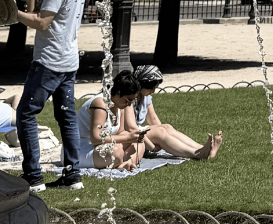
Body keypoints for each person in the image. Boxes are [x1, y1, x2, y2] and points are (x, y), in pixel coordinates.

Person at [13, 0, 87, 193]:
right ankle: (73, 174)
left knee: (26, 113)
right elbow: (56, 18)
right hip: (69, 61)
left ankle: (33, 176)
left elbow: (42, 23)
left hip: (49, 62)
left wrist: (12, 13)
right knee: (67, 117)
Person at [78, 70, 221, 167]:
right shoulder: (100, 103)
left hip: (102, 147)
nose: (129, 105)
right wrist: (130, 138)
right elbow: (96, 138)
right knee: (116, 151)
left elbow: (120, 132)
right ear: (118, 92)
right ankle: (122, 162)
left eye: (131, 102)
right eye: (128, 100)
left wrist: (134, 138)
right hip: (83, 149)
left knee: (138, 144)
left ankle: (126, 165)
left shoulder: (120, 105)